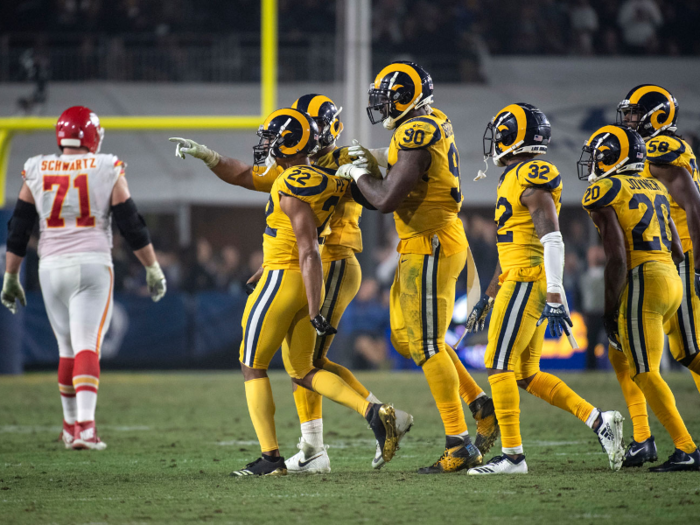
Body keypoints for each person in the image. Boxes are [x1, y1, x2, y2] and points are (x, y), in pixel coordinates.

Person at [170, 94, 411, 473]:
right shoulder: (324, 172)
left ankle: (278, 455)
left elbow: (310, 244)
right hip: (307, 266)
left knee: (273, 364)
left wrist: (374, 160)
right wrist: (209, 156)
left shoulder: (330, 166)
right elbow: (246, 177)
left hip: (319, 266)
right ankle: (347, 428)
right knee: (303, 366)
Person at [341, 61, 498, 473]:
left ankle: (459, 441)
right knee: (411, 338)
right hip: (422, 243)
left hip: (431, 244)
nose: (382, 106)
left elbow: (387, 198)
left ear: (405, 96)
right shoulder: (429, 121)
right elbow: (405, 166)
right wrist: (373, 159)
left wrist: (359, 174)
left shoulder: (418, 129)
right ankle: (481, 405)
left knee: (427, 344)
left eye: (386, 97)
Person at [464, 103, 624, 475]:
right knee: (525, 374)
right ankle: (600, 421)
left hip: (527, 282)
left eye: (502, 133)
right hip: (517, 278)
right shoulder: (513, 176)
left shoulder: (532, 175)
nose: (497, 141)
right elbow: (512, 245)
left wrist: (555, 294)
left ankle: (513, 457)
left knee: (497, 364)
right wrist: (487, 296)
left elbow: (552, 239)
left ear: (516, 137)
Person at [1, 106, 166, 450]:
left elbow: (18, 226)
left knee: (66, 349)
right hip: (91, 263)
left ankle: (69, 426)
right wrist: (152, 267)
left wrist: (10, 274)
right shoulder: (105, 165)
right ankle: (87, 429)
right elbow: (131, 223)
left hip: (51, 266)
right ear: (91, 136)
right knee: (88, 345)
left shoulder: (37, 166)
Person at [579, 123, 700, 472]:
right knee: (626, 358)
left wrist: (609, 308)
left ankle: (686, 447)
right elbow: (677, 248)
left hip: (643, 279)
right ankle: (643, 439)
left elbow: (617, 258)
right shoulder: (655, 186)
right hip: (670, 278)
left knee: (646, 371)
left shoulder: (604, 190)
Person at [614, 84, 700, 466]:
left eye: (635, 113)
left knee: (691, 350)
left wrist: (698, 266)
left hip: (680, 256)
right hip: (667, 257)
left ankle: (681, 447)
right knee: (671, 352)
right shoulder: (655, 151)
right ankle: (643, 437)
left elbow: (694, 207)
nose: (629, 119)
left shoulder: (665, 149)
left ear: (658, 116)